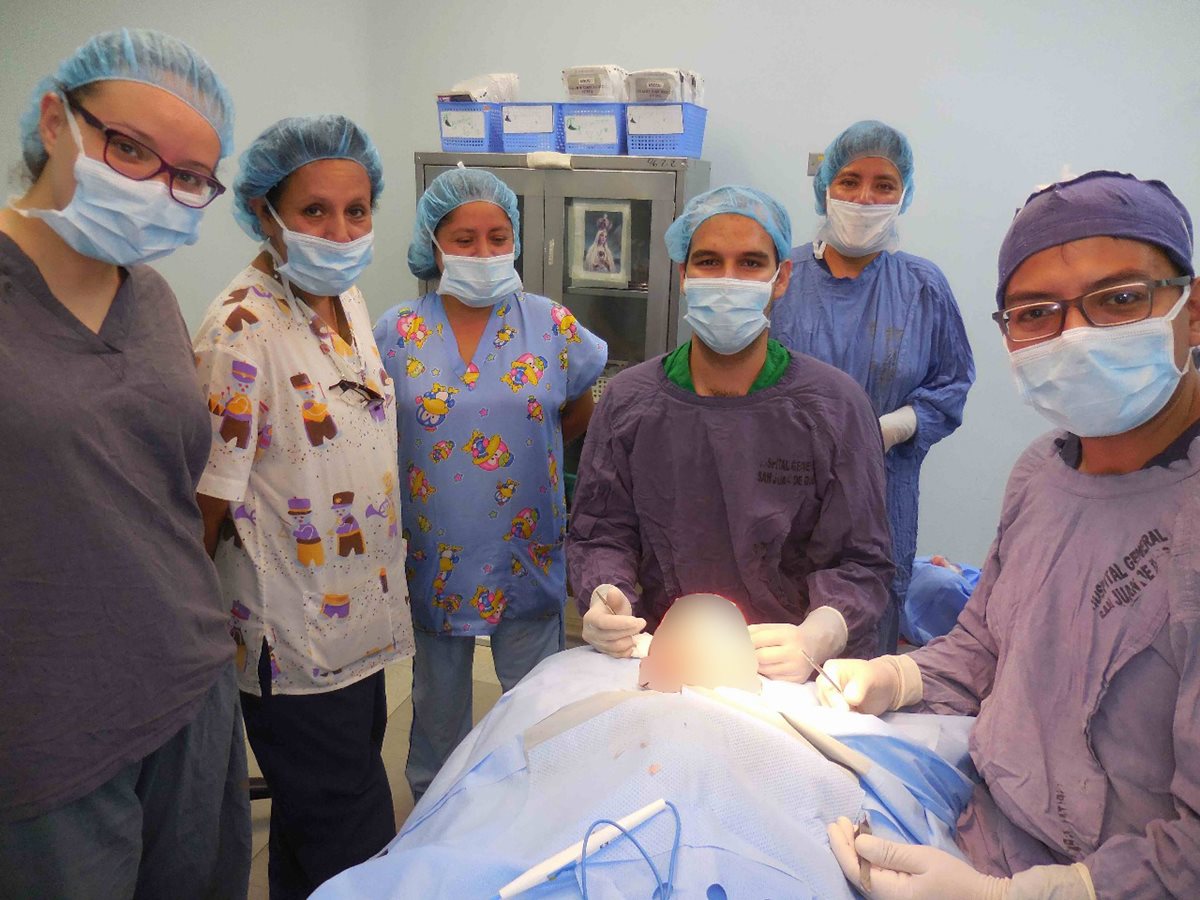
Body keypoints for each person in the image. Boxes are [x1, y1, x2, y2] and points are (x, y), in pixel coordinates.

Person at [819, 171, 1200, 900]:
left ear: (1193, 309)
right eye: (1035, 312)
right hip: (981, 826)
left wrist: (1029, 896)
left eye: (1120, 299)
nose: (1076, 336)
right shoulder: (1041, 473)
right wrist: (898, 677)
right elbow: (990, 645)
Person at [0, 28, 250, 898]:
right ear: (55, 121)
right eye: (130, 149)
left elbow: (162, 483)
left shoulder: (148, 294)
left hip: (187, 682)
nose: (156, 189)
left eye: (186, 177)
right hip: (49, 728)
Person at [193, 115, 413, 899]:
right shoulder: (241, 330)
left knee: (307, 824)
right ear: (264, 213)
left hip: (363, 624)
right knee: (353, 837)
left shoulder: (345, 299)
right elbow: (207, 502)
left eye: (356, 210)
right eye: (315, 211)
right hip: (293, 643)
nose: (341, 229)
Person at [568, 185, 893, 682]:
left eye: (749, 264)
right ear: (681, 274)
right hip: (660, 658)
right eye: (708, 261)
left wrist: (821, 629)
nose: (727, 281)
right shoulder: (630, 402)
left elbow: (861, 560)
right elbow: (601, 531)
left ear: (781, 277)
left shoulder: (834, 407)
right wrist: (605, 591)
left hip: (785, 672)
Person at [375, 167, 606, 801]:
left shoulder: (552, 325)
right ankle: (437, 811)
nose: (484, 253)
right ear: (434, 244)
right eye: (465, 239)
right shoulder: (396, 333)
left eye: (498, 238)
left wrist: (540, 448)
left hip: (523, 543)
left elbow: (577, 405)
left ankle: (533, 811)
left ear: (516, 240)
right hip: (433, 549)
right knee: (438, 706)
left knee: (536, 705)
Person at [772, 120, 975, 653]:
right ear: (825, 189)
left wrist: (896, 425)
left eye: (883, 185)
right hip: (778, 492)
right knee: (771, 644)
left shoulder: (922, 287)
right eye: (849, 181)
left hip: (880, 498)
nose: (865, 197)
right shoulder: (780, 277)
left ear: (903, 194)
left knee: (860, 657)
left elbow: (952, 383)